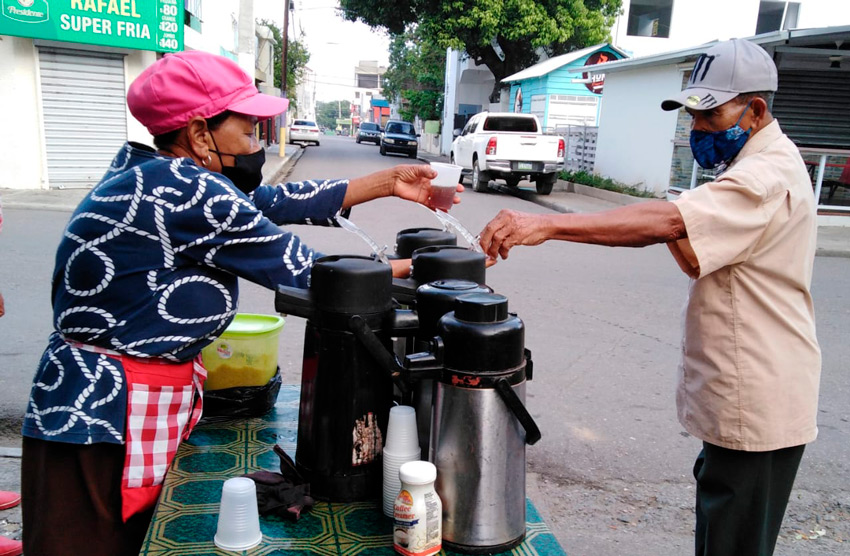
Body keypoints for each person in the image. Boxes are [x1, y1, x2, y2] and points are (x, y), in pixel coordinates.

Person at [20, 50, 460, 555]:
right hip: (102, 420)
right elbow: (309, 273)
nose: (257, 145)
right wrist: (430, 268)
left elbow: (269, 202)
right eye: (250, 132)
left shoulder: (149, 170)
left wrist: (387, 183)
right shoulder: (189, 190)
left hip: (86, 403)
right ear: (200, 133)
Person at [479, 39, 820, 556]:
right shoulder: (749, 166)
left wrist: (546, 225)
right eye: (692, 116)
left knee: (735, 541)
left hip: (761, 394)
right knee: (721, 525)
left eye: (709, 115)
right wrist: (666, 223)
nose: (697, 130)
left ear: (755, 110)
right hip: (745, 389)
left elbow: (668, 222)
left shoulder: (766, 174)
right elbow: (690, 248)